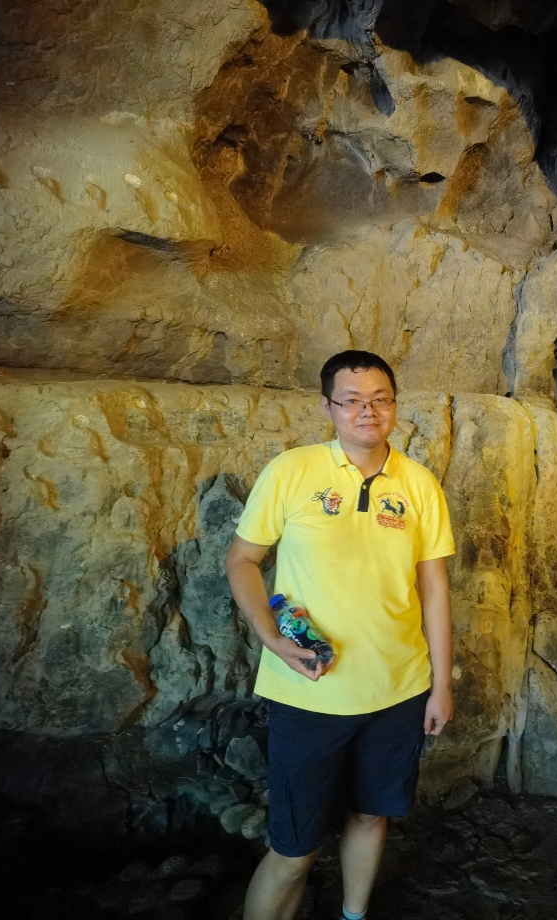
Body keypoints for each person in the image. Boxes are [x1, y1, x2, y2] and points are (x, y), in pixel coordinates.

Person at [224, 350, 455, 920]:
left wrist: (441, 685)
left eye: (379, 399)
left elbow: (434, 590)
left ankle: (354, 914)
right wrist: (270, 638)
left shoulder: (419, 484)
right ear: (328, 407)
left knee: (369, 815)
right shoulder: (292, 471)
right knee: (293, 848)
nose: (366, 411)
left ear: (394, 406)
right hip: (310, 691)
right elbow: (242, 560)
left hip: (398, 689)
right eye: (351, 400)